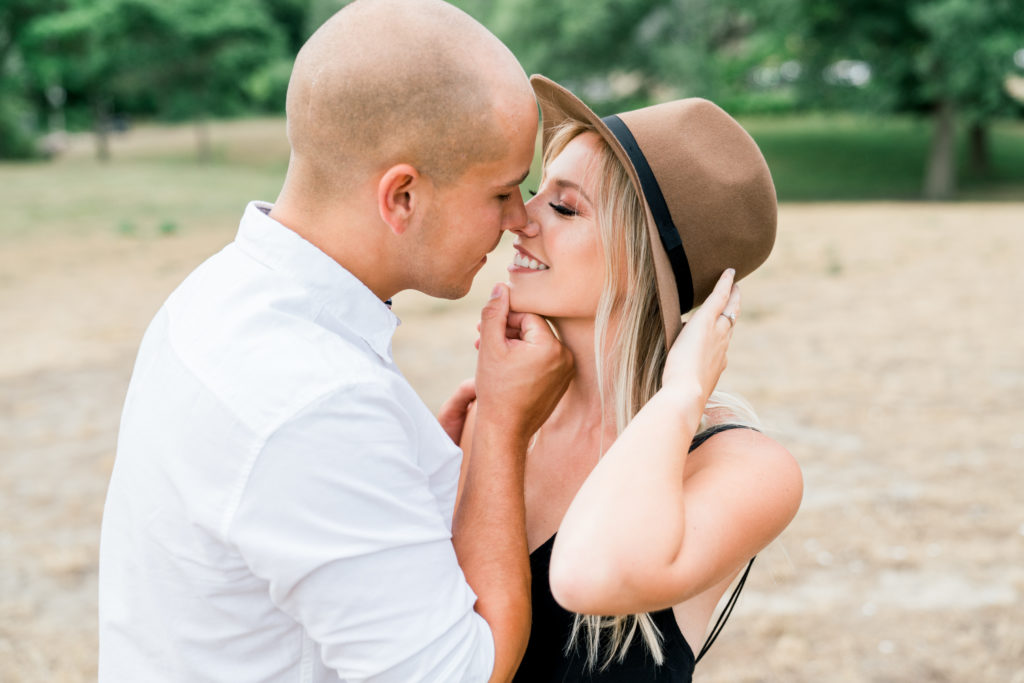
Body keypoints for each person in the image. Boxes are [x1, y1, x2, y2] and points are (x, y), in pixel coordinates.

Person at [97, 3, 573, 682]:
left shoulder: (217, 294)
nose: (519, 219)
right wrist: (500, 427)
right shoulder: (312, 397)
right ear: (402, 196)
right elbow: (465, 672)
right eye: (501, 192)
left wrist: (415, 472)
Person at [460, 76, 804, 682]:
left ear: (641, 261)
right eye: (539, 192)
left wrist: (679, 397)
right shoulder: (493, 423)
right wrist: (494, 429)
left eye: (563, 207)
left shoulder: (744, 468)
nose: (518, 217)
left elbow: (592, 574)